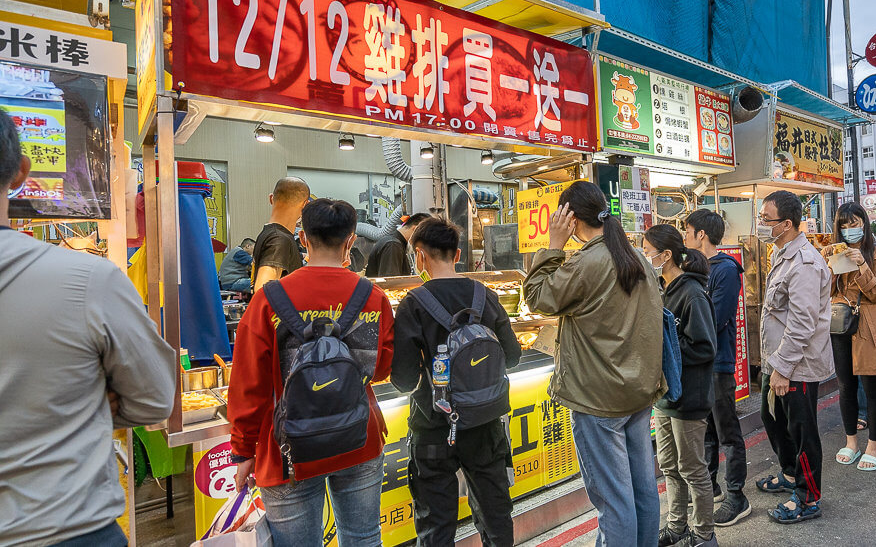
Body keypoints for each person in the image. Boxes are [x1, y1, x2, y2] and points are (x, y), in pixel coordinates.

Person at [0, 110, 176, 546]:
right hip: (68, 530)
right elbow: (157, 398)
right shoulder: (87, 280)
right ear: (23, 170)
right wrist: (80, 397)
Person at [229, 198, 394, 545]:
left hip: (287, 449)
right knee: (364, 538)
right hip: (358, 436)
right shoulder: (373, 296)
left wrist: (243, 451)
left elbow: (248, 385)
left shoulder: (267, 300)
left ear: (303, 238)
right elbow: (380, 369)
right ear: (351, 240)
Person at [523, 181, 664, 547]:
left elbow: (537, 296)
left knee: (614, 501)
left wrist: (553, 245)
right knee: (642, 490)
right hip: (638, 391)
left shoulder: (588, 261)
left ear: (569, 217)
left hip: (599, 398)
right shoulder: (636, 258)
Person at [391, 218, 522, 545]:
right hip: (485, 423)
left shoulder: (413, 303)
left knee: (436, 525)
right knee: (495, 514)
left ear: (419, 257)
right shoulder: (485, 295)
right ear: (458, 253)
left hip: (433, 426)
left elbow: (404, 381)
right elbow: (514, 356)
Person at [754, 190, 834, 524]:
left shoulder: (804, 263)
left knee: (802, 431)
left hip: (796, 365)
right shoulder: (783, 253)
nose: (760, 224)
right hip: (778, 360)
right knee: (773, 419)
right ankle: (789, 474)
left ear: (786, 224)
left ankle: (808, 496)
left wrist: (783, 369)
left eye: (765, 219)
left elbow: (803, 322)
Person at [643, 225, 719, 547]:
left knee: (693, 469)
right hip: (664, 398)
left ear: (666, 255)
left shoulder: (691, 293)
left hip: (689, 397)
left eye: (647, 251)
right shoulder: (660, 288)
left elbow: (705, 347)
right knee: (669, 467)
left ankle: (704, 534)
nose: (645, 256)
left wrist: (666, 349)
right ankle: (676, 527)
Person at [682, 209, 751, 527]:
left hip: (719, 362)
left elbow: (716, 317)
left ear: (701, 235)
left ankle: (738, 496)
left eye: (687, 231)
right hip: (697, 363)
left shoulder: (724, 270)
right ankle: (711, 487)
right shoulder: (695, 268)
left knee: (727, 432)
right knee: (706, 432)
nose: (684, 236)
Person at [821, 203, 876, 472]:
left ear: (864, 223)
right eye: (844, 225)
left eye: (854, 223)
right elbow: (826, 292)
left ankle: (874, 447)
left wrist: (862, 264)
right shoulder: (836, 252)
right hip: (841, 323)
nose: (850, 229)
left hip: (869, 323)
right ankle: (851, 441)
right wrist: (828, 264)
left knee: (872, 386)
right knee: (845, 386)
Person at [252, 176, 310, 291]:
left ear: (271, 198)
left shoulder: (269, 233)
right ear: (305, 205)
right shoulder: (279, 239)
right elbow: (261, 291)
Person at [365, 212, 432, 278]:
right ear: (415, 229)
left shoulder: (396, 244)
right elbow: (391, 283)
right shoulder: (393, 245)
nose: (423, 244)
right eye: (424, 239)